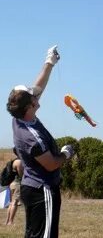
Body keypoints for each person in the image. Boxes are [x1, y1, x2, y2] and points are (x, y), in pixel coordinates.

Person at [6, 45, 75, 238]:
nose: (36, 95)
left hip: (32, 187)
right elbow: (52, 164)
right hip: (42, 191)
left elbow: (38, 87)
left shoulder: (19, 115)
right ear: (30, 105)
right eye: (32, 96)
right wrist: (66, 153)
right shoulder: (30, 137)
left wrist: (49, 62)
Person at [4, 149, 23, 225]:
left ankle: (7, 221)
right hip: (17, 184)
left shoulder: (14, 161)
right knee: (15, 202)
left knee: (11, 203)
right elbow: (21, 175)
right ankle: (11, 222)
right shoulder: (19, 162)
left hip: (12, 184)